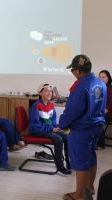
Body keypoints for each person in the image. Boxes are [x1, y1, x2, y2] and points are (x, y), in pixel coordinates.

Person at [59, 55, 106, 200]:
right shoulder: (100, 83)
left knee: (80, 161)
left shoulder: (81, 86)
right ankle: (89, 187)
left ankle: (79, 195)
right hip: (97, 126)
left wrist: (62, 124)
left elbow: (72, 110)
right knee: (90, 156)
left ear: (78, 71)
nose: (72, 72)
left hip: (82, 129)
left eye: (73, 69)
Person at [29, 84, 71, 175]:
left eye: (51, 91)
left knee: (66, 137)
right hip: (37, 131)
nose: (49, 93)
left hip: (48, 130)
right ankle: (60, 166)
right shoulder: (36, 106)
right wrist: (52, 129)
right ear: (40, 93)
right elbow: (37, 125)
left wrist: (56, 128)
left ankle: (68, 162)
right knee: (58, 139)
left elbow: (53, 121)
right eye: (46, 91)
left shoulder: (51, 105)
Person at [97, 70, 112, 149]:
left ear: (108, 78)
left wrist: (103, 111)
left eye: (103, 77)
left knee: (98, 121)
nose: (101, 79)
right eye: (100, 77)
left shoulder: (110, 88)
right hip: (101, 112)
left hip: (109, 113)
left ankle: (100, 144)